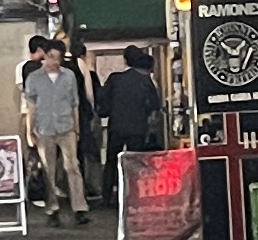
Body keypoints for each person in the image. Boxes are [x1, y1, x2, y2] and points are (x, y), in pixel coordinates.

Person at [19, 37, 88, 223]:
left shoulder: (69, 76)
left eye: (58, 58)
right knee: (48, 169)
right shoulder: (34, 78)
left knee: (72, 167)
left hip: (66, 127)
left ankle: (79, 207)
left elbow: (74, 103)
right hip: (44, 128)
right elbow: (31, 107)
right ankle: (52, 208)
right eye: (51, 57)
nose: (54, 62)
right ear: (45, 56)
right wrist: (29, 131)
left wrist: (77, 128)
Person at [94, 42, 166, 213]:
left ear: (125, 61)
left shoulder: (115, 79)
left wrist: (105, 112)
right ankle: (134, 195)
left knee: (111, 161)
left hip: (116, 126)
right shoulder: (145, 81)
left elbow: (102, 100)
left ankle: (106, 197)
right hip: (138, 128)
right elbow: (155, 105)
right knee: (135, 163)